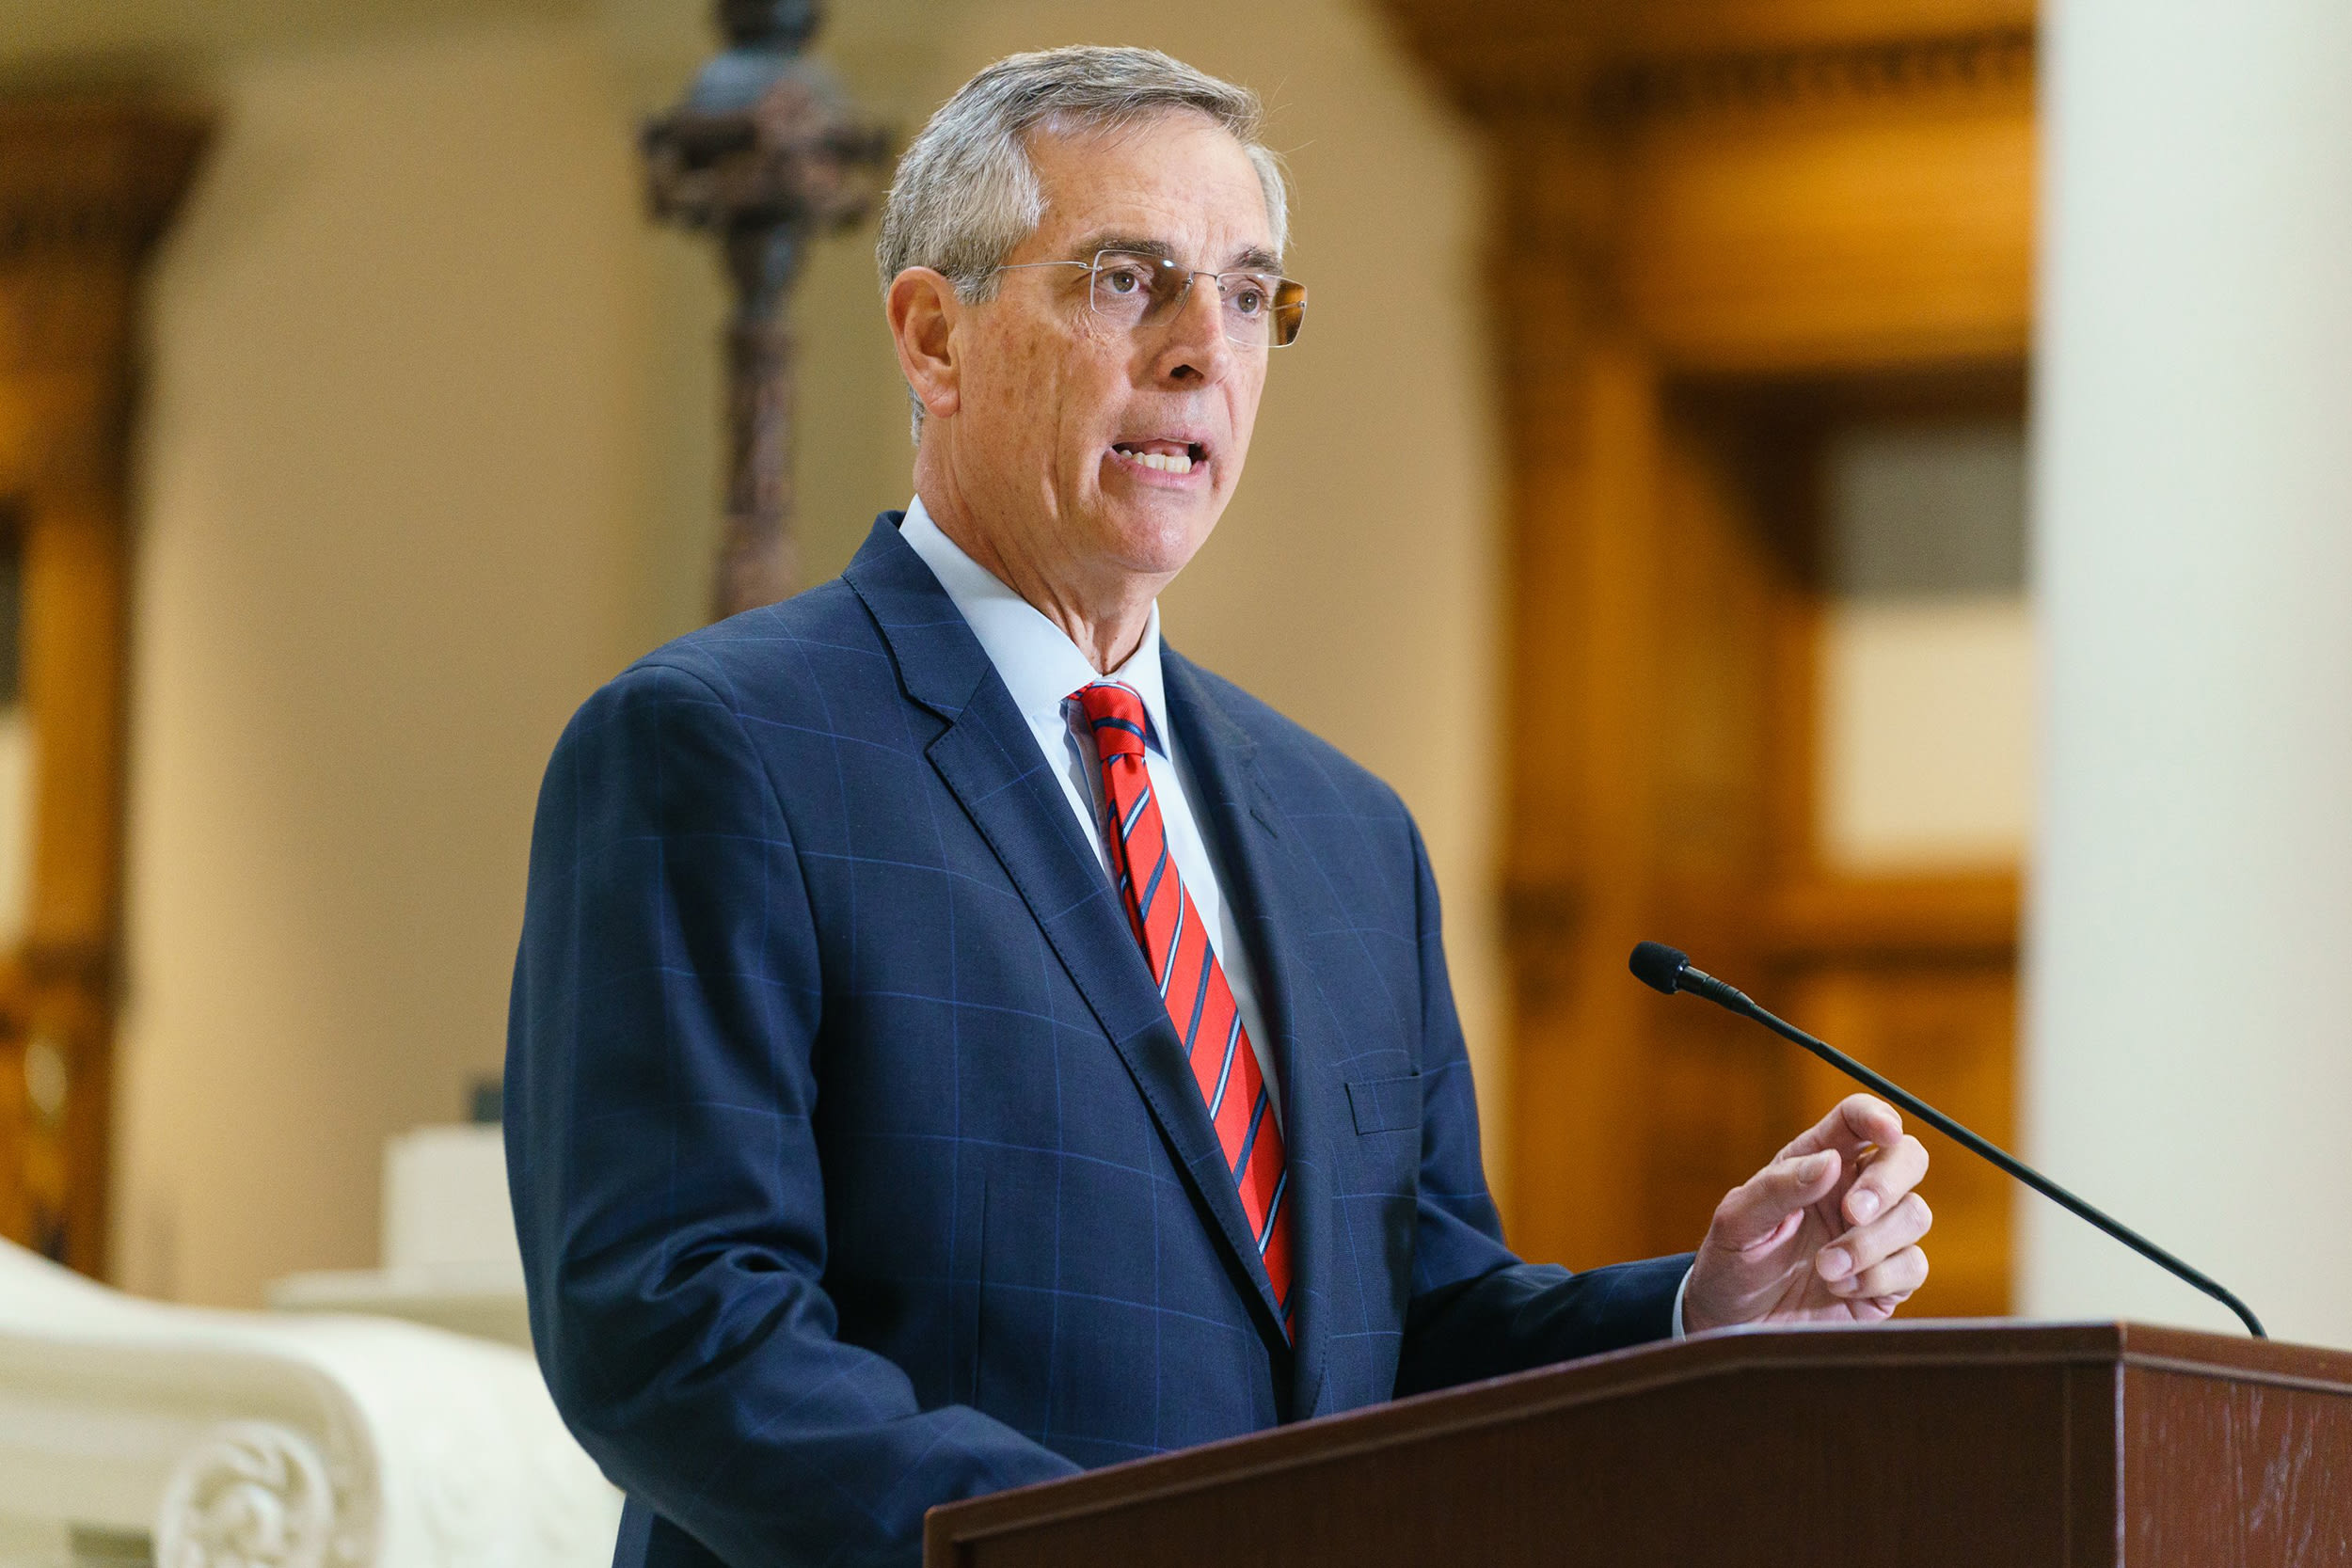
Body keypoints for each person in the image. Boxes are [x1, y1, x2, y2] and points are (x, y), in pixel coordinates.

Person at [505, 45, 1932, 1568]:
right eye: (1130, 281)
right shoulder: (717, 749)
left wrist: (1693, 1315)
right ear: (933, 336)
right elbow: (675, 1330)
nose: (1203, 351)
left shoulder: (1345, 833)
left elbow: (1417, 1324)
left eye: (1250, 296)